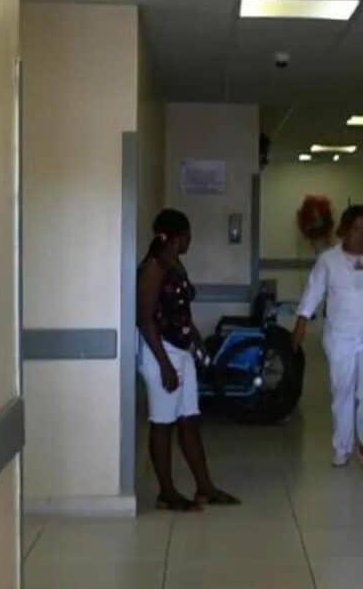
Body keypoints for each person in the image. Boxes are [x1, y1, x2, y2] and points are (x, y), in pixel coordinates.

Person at [136, 209, 239, 511]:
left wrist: (195, 340)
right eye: (188, 235)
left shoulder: (174, 263)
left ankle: (205, 487)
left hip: (181, 351)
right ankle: (166, 493)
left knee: (189, 419)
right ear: (175, 236)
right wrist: (165, 365)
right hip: (161, 353)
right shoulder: (154, 267)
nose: (190, 240)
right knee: (162, 423)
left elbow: (179, 311)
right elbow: (145, 320)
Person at [293, 204, 363, 470]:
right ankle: (342, 447)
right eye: (355, 229)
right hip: (340, 335)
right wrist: (301, 324)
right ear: (344, 230)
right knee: (342, 388)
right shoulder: (328, 260)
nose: (360, 235)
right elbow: (313, 291)